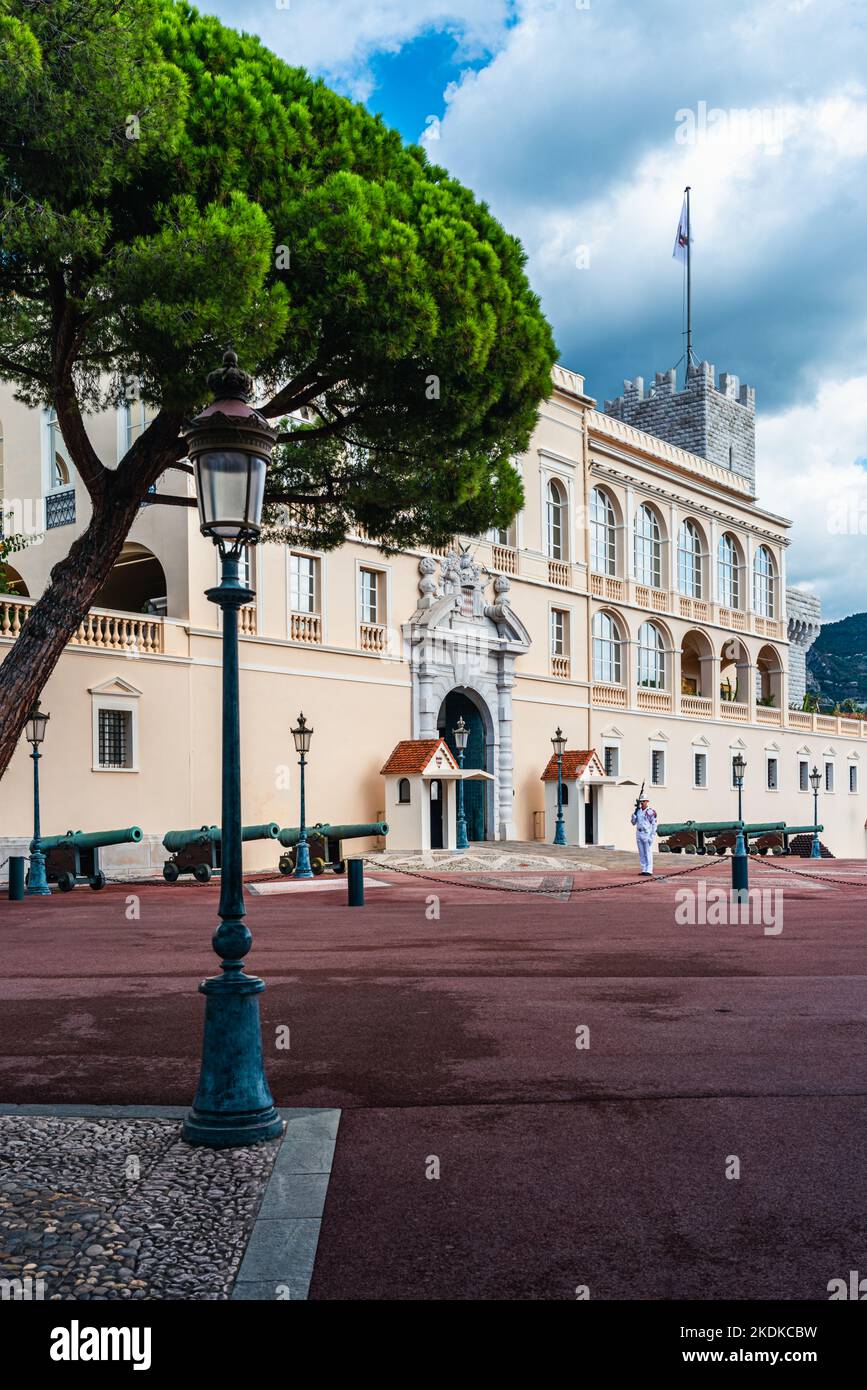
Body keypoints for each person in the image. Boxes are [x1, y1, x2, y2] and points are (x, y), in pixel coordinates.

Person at [631, 796, 658, 876]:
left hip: (646, 833)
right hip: (639, 833)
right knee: (641, 852)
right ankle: (643, 869)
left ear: (647, 801)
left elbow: (654, 824)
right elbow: (633, 823)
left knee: (648, 852)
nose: (642, 803)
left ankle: (649, 870)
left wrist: (652, 835)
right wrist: (633, 816)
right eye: (641, 801)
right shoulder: (638, 811)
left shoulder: (650, 812)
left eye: (643, 801)